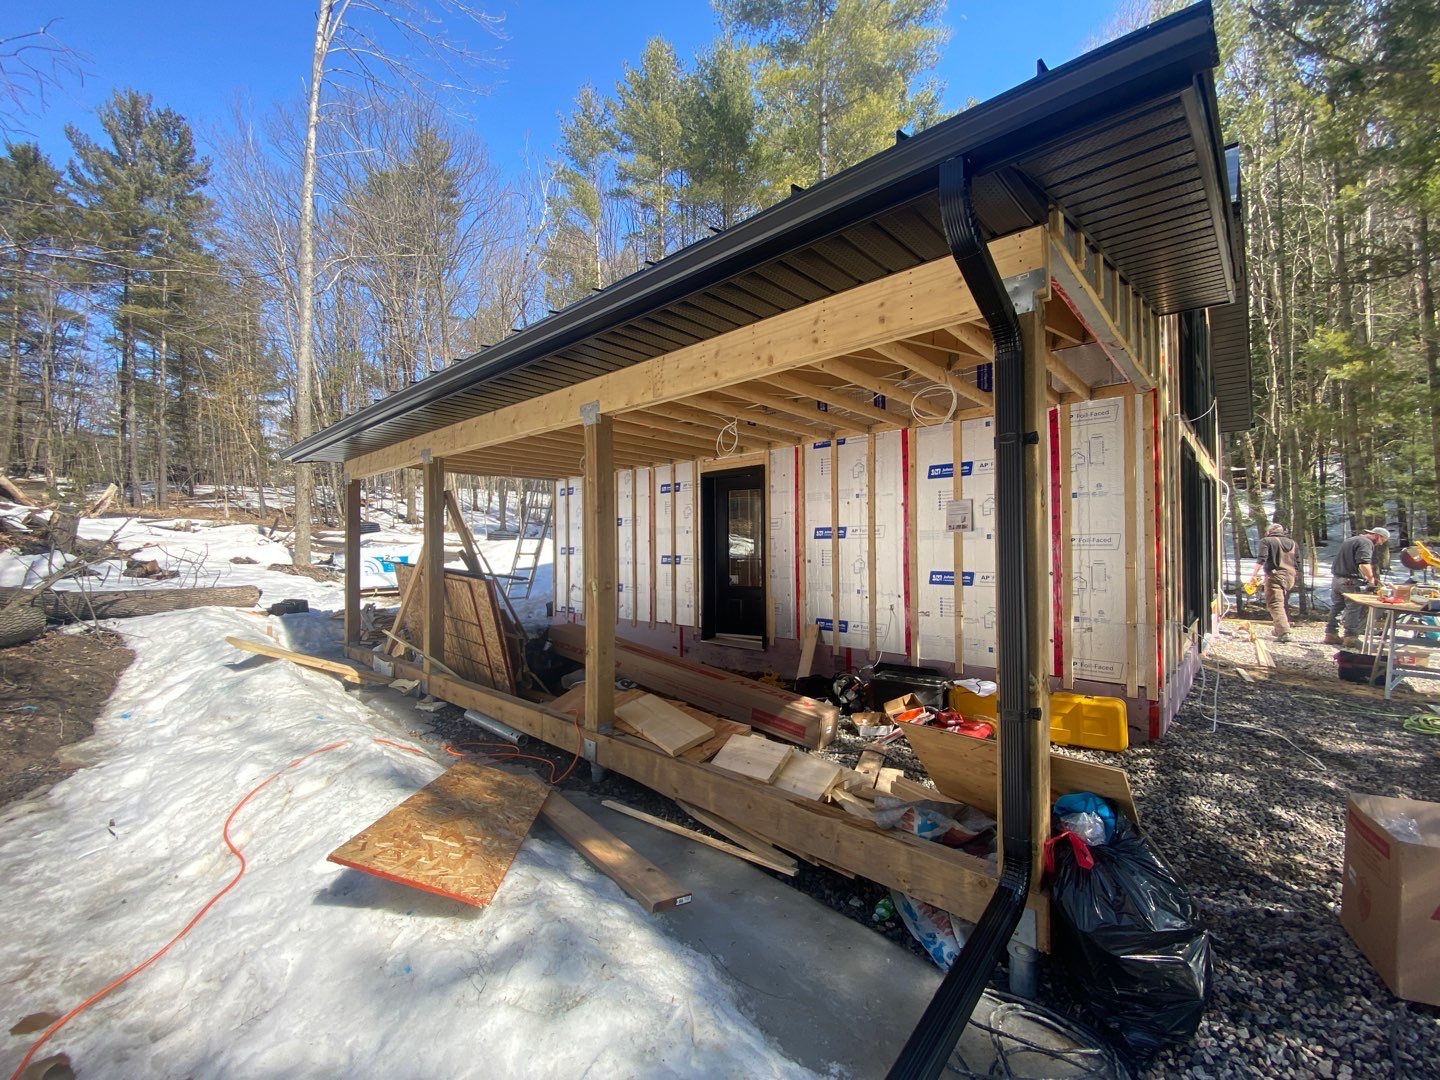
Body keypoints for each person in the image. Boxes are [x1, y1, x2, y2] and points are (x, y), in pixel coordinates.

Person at [1325, 525, 1391, 648]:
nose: (1381, 544)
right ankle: (1350, 637)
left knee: (1337, 607)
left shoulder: (1350, 540)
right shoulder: (1366, 543)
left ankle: (1331, 633)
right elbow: (1363, 563)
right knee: (1353, 608)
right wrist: (1371, 579)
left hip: (1337, 579)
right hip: (1351, 581)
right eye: (1383, 540)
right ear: (1378, 535)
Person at [1248, 523, 1298, 642]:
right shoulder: (1293, 543)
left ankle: (1284, 632)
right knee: (1281, 602)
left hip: (1275, 576)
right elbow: (1298, 563)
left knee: (1275, 604)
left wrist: (1253, 575)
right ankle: (1278, 628)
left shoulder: (1266, 541)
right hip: (1290, 576)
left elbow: (1262, 559)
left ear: (1269, 532)